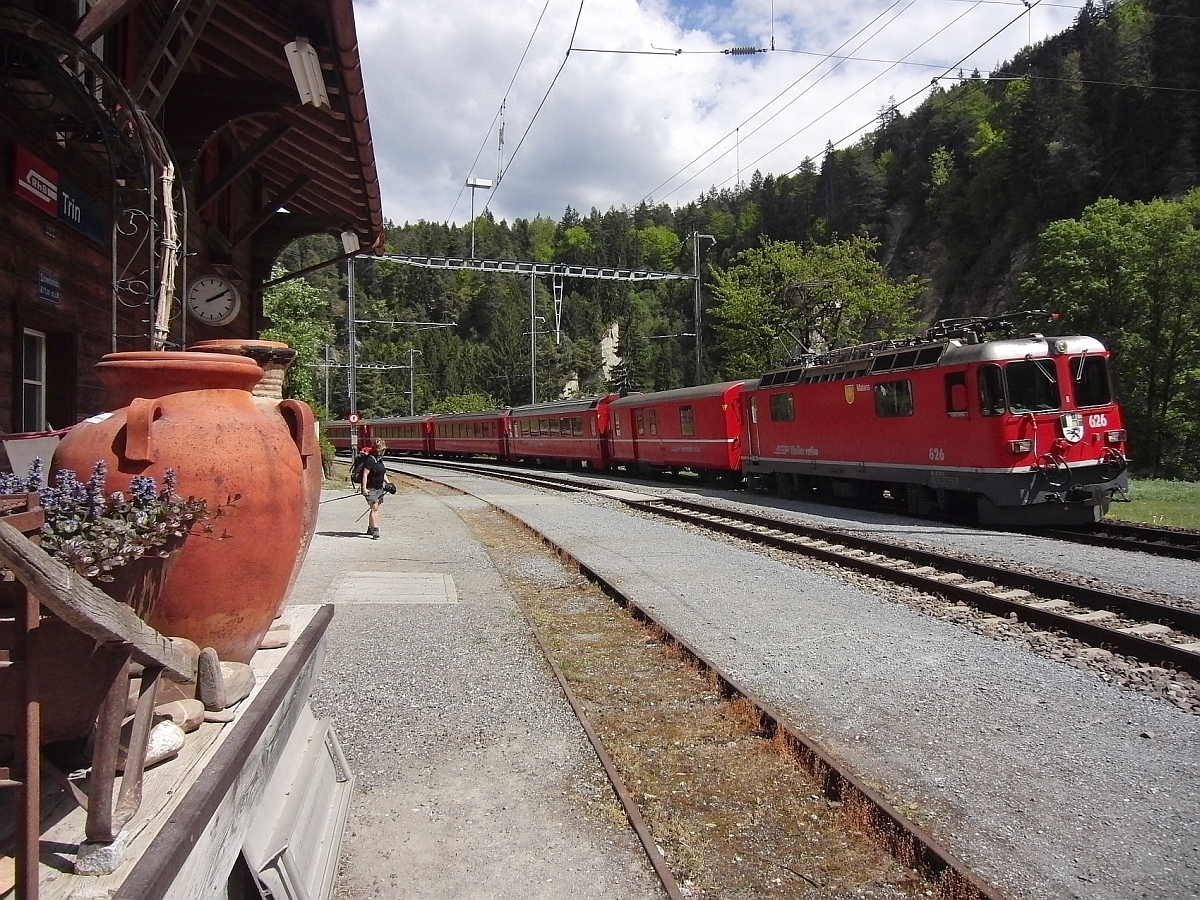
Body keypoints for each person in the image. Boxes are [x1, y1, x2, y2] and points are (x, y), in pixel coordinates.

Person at [359, 440, 391, 539]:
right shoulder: (370, 460)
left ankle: (370, 528)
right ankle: (375, 529)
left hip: (379, 488)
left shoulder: (379, 459)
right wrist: (364, 488)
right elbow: (365, 474)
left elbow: (383, 473)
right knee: (374, 508)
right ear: (378, 450)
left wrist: (388, 483)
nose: (383, 451)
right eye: (382, 449)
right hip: (371, 488)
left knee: (374, 509)